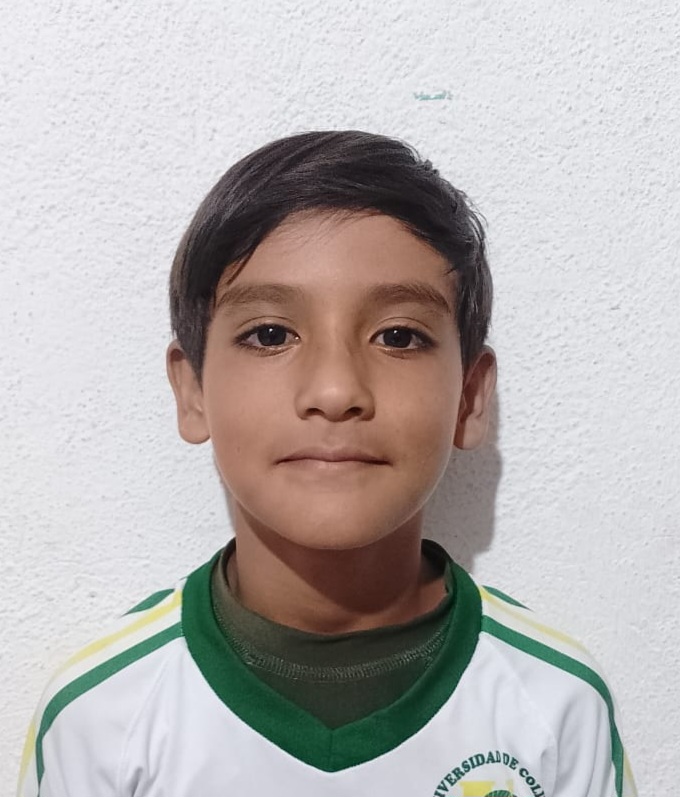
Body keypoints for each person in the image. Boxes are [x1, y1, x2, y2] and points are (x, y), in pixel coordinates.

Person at [18, 131, 636, 797]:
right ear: (192, 390)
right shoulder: (101, 719)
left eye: (398, 336)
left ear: (469, 396)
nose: (336, 390)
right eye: (270, 335)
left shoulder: (557, 706)